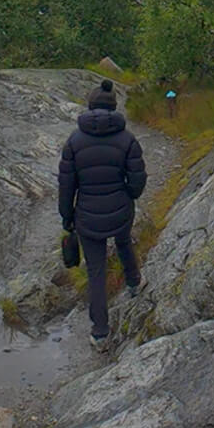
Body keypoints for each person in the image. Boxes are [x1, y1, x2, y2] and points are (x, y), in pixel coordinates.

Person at [58, 78, 146, 347]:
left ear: (89, 107)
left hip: (86, 215)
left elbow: (66, 185)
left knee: (96, 271)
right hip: (120, 210)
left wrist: (67, 217)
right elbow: (138, 180)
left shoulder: (74, 141)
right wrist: (128, 196)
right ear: (114, 107)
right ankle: (133, 284)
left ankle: (100, 333)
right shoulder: (128, 138)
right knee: (123, 243)